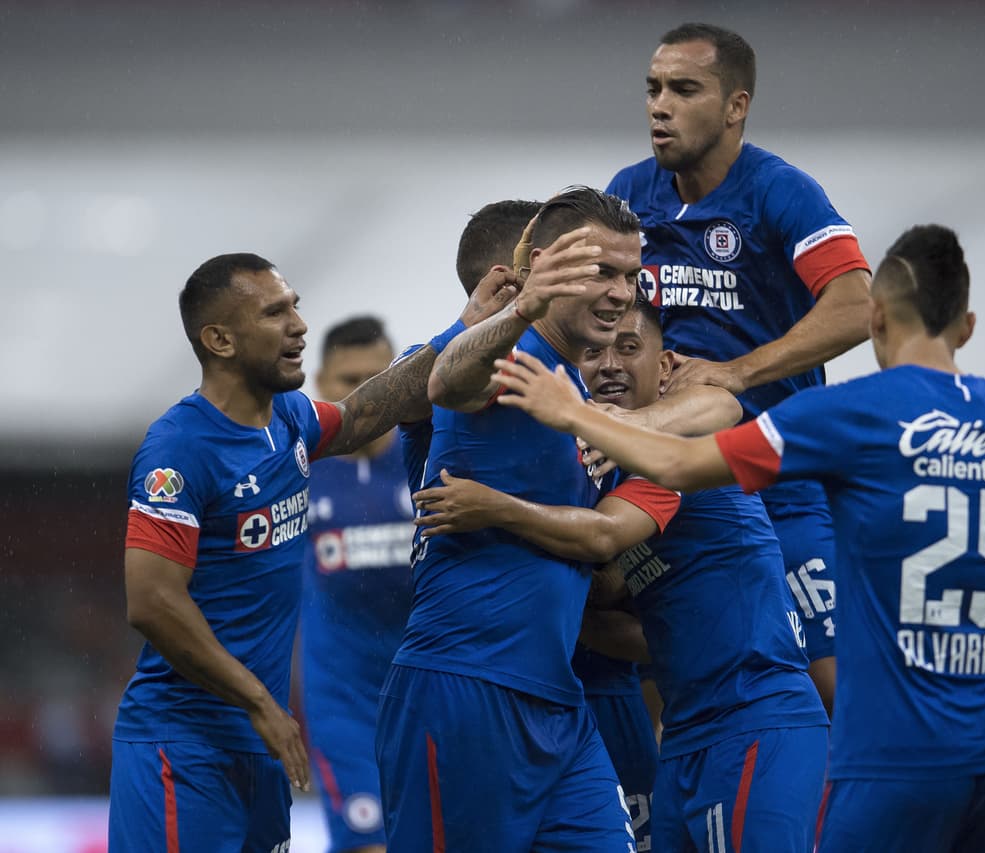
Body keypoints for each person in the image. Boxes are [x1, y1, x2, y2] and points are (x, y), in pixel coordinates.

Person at [492, 225, 985, 852]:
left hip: (889, 750)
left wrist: (574, 413)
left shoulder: (853, 414)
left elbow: (685, 462)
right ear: (967, 327)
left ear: (876, 320)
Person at [109, 251, 515, 852]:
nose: (299, 324)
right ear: (219, 338)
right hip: (184, 745)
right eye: (275, 312)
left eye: (295, 306)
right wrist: (259, 703)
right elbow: (151, 600)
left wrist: (464, 329)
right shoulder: (178, 450)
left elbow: (365, 413)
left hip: (264, 746)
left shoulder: (290, 421)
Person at [413, 297, 830, 852]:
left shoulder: (678, 440)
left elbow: (722, 404)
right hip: (686, 730)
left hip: (756, 716)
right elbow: (619, 614)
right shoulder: (597, 471)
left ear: (666, 366)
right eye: (594, 351)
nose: (609, 363)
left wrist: (495, 507)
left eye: (629, 348)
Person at [606, 22, 875, 714]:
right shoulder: (627, 196)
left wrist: (738, 371)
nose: (659, 105)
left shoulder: (779, 192)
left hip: (776, 480)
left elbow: (854, 307)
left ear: (736, 106)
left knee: (832, 687)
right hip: (666, 478)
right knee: (659, 676)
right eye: (653, 88)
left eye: (684, 89)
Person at [376, 187, 644, 852]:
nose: (620, 292)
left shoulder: (572, 388)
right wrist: (524, 306)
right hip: (464, 691)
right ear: (546, 266)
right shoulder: (513, 352)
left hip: (558, 700)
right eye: (601, 272)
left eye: (630, 275)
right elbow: (447, 383)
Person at [300, 315, 415, 853]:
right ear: (322, 384)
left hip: (433, 696)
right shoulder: (297, 472)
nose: (368, 395)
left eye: (379, 376)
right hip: (344, 705)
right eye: (351, 381)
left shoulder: (431, 458)